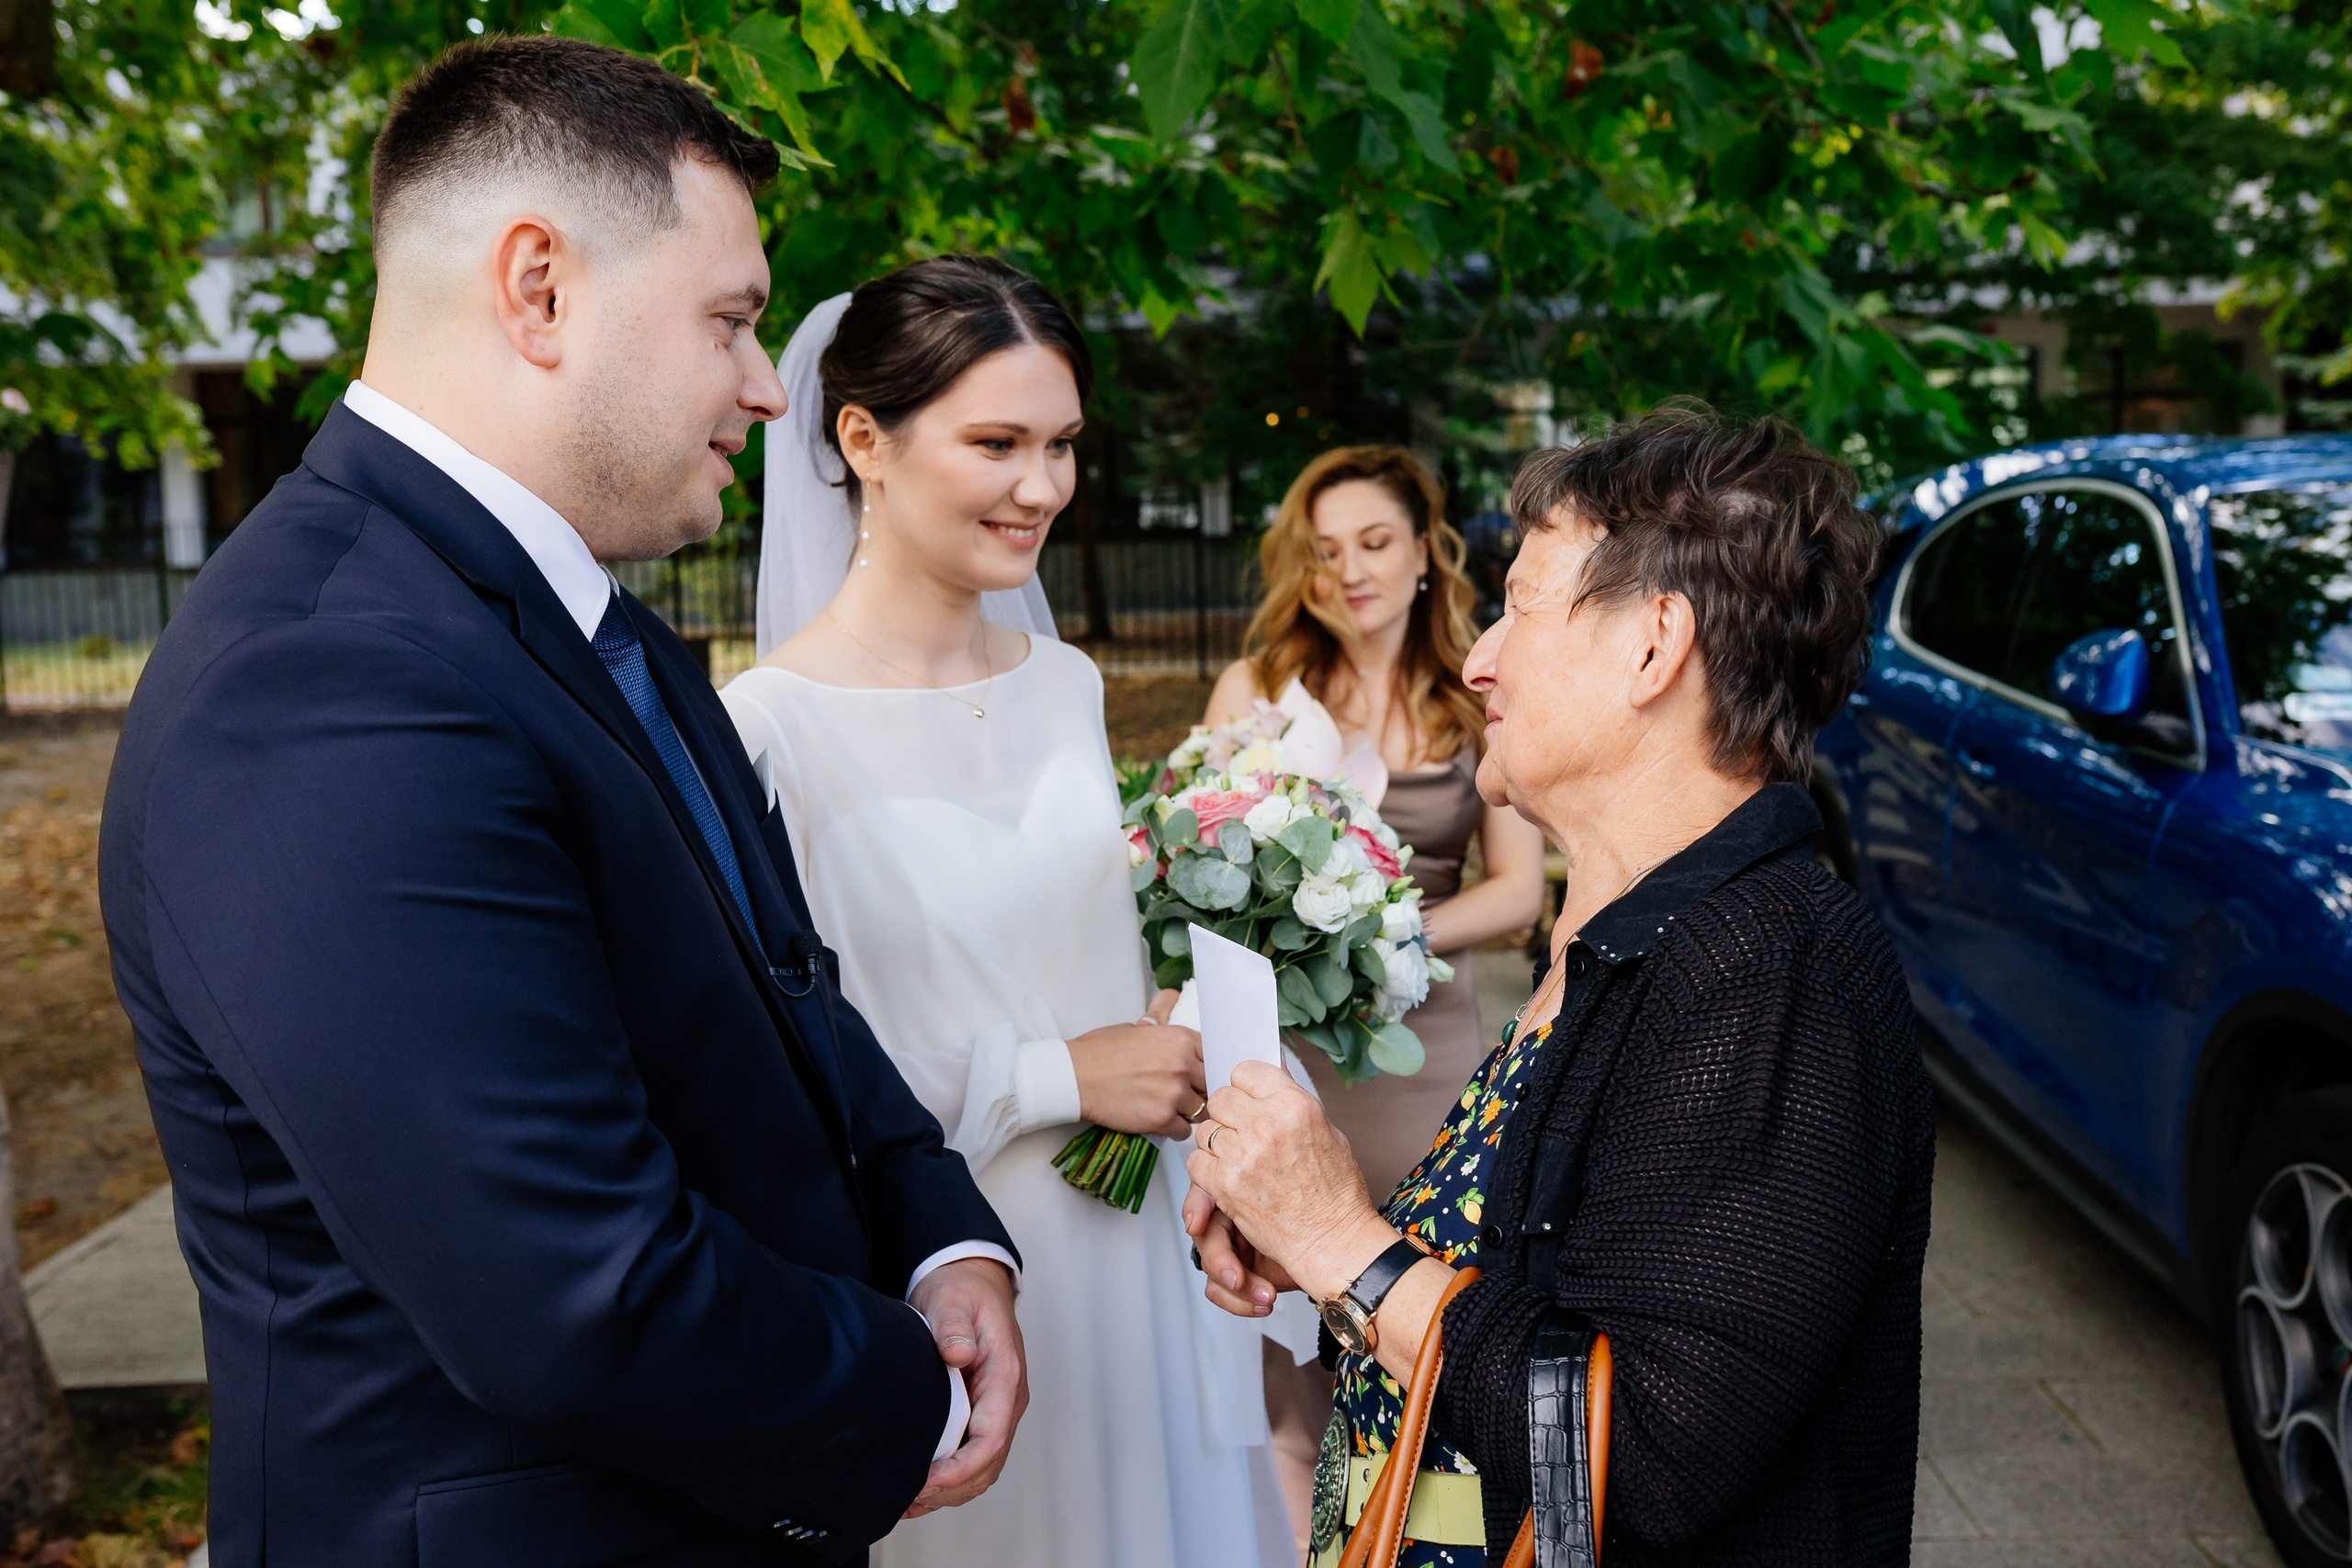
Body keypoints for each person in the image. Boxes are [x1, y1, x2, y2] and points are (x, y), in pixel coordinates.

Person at [98, 39, 1024, 1568]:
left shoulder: (597, 629)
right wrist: (900, 1392)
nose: (763, 385)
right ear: (537, 290)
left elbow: (784, 995)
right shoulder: (326, 682)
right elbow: (570, 1288)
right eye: (731, 320)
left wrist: (940, 1234)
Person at [1183, 407, 1935, 1566]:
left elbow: (1643, 1456)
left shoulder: (1768, 973)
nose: (1479, 657)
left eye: (1521, 606)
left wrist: (1346, 1247)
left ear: (1653, 646)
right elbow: (1531, 1289)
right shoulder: (1630, 943)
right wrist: (1316, 1241)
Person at [718, 258, 1293, 1568]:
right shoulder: (770, 730)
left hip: (1140, 1246)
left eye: (1062, 444)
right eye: (997, 443)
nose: (1042, 486)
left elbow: (1091, 957)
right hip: (965, 1268)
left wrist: (1177, 1033)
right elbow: (785, 1086)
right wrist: (1058, 1073)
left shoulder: (1068, 682)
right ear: (863, 440)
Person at [1204, 446, 1546, 1550]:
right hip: (1294, 1056)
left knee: (1412, 1316)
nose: (1349, 571)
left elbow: (1517, 890)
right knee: (1286, 1339)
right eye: (1323, 551)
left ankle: (1405, 1536)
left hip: (1425, 1051)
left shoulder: (1473, 693)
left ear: (1424, 553)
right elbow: (1199, 864)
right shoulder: (1256, 693)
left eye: (1373, 542)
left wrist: (1376, 936)